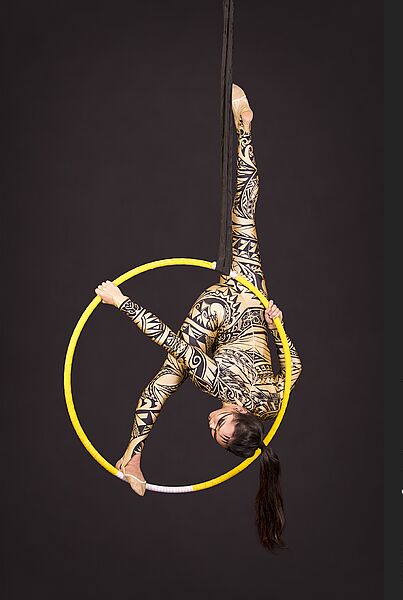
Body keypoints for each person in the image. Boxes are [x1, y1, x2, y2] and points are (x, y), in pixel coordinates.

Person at [95, 84, 302, 550]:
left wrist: (276, 326)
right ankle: (133, 454)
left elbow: (296, 366)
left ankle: (245, 128)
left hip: (251, 300)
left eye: (213, 431)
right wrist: (120, 300)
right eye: (219, 422)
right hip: (225, 307)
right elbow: (172, 340)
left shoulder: (272, 402)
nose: (209, 420)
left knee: (244, 215)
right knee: (172, 370)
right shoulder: (223, 389)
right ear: (238, 412)